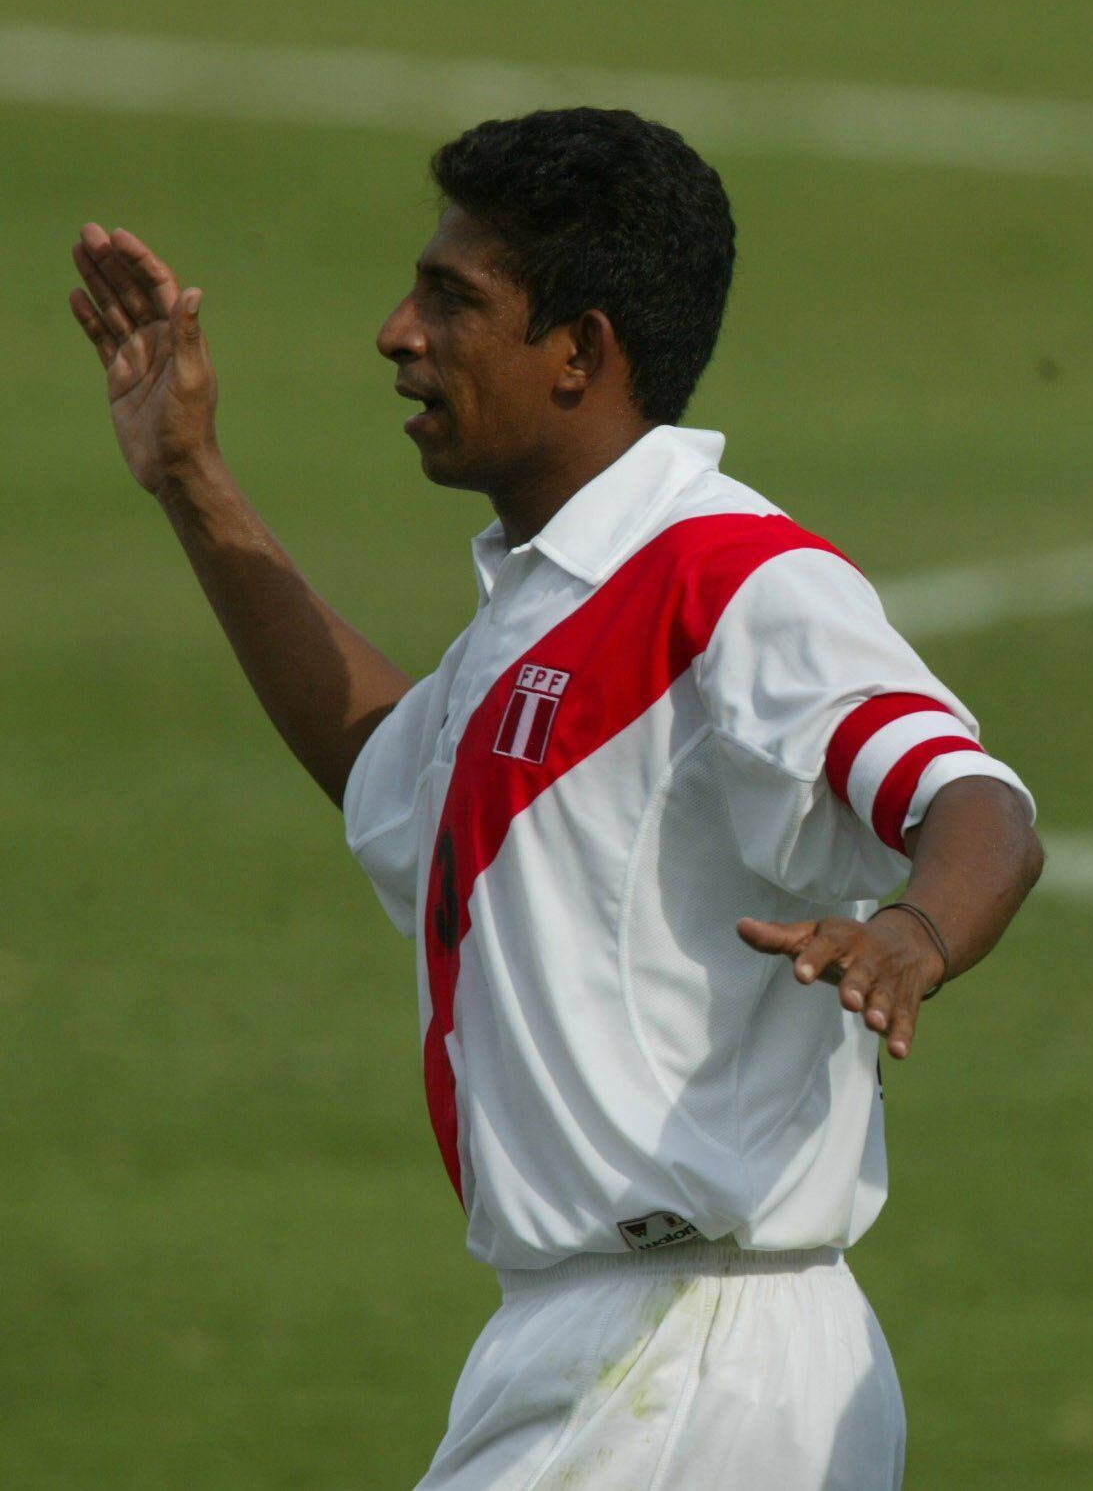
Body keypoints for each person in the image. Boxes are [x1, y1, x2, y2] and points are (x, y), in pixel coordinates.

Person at [67, 106, 1043, 1491]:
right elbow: (397, 772)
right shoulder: (543, 609)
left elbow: (975, 802)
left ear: (580, 351)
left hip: (687, 1361)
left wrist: (914, 938)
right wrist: (189, 477)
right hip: (622, 1347)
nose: (398, 332)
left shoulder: (734, 585)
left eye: (453, 301)